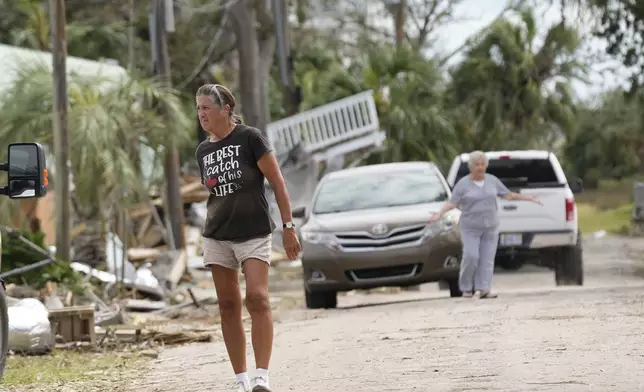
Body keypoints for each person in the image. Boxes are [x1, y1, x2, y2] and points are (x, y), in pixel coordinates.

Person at [195, 84, 301, 392]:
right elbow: (214, 192)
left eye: (206, 108)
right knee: (228, 305)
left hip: (254, 232)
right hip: (217, 235)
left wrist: (289, 226)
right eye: (198, 108)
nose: (201, 114)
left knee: (257, 297)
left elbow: (278, 183)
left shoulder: (250, 138)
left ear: (225, 109)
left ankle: (261, 376)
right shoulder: (203, 150)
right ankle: (241, 380)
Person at [430, 150, 541, 299]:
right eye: (477, 165)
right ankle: (466, 288)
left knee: (487, 259)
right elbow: (452, 203)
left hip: (490, 227)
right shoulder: (463, 184)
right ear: (471, 166)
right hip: (470, 227)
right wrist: (439, 213)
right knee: (471, 256)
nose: (480, 168)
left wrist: (527, 198)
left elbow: (507, 195)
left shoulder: (492, 181)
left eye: (483, 164)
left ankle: (484, 289)